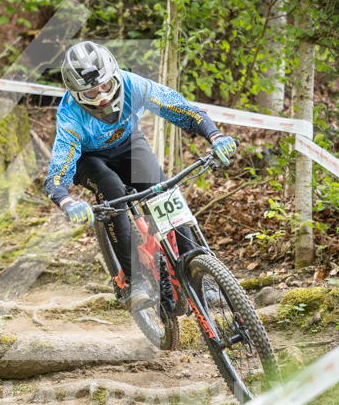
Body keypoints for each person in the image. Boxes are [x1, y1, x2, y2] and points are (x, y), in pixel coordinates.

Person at [44, 41, 236, 310]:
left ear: (115, 76)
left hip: (128, 144)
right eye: (90, 93)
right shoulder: (69, 117)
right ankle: (135, 280)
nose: (102, 97)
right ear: (76, 95)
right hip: (88, 158)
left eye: (106, 86)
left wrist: (215, 136)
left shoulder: (133, 84)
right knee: (111, 189)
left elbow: (180, 109)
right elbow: (57, 173)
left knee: (163, 191)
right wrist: (67, 203)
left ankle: (198, 275)